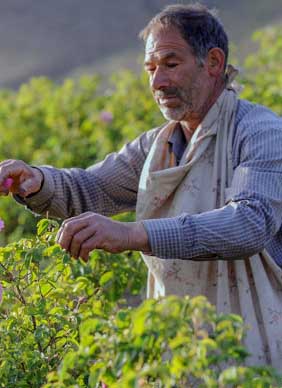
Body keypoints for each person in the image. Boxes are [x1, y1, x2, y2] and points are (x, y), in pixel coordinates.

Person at [0, 3, 282, 369]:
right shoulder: (157, 146)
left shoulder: (261, 133)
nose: (157, 82)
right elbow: (91, 189)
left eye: (170, 64)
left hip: (261, 353)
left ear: (213, 62)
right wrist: (37, 181)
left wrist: (134, 234)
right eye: (151, 68)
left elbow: (249, 223)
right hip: (181, 353)